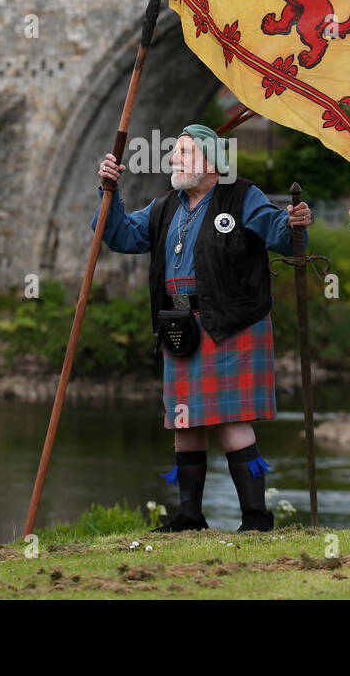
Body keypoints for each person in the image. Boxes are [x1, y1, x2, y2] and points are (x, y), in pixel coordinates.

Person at [91, 123, 311, 532]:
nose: (174, 159)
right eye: (175, 153)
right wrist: (110, 193)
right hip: (181, 325)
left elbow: (278, 234)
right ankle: (190, 517)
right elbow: (119, 235)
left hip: (232, 321)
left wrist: (293, 224)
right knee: (185, 420)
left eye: (185, 153)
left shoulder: (242, 197)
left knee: (232, 421)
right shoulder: (163, 208)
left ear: (212, 162)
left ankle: (257, 519)